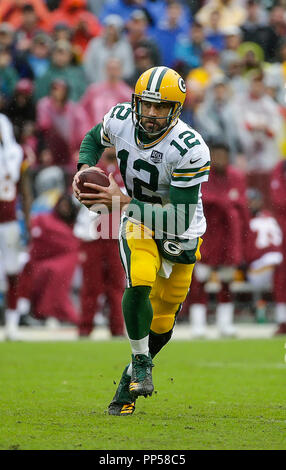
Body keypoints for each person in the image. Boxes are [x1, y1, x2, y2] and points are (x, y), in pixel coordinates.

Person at [72, 66, 211, 415]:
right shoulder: (119, 119)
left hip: (180, 228)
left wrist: (121, 202)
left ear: (176, 109)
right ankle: (140, 360)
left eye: (161, 107)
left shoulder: (188, 147)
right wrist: (82, 167)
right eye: (146, 104)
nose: (150, 113)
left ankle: (129, 377)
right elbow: (92, 139)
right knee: (139, 282)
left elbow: (178, 216)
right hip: (137, 221)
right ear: (135, 101)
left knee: (163, 320)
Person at [0, 113, 31, 340]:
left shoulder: (16, 153)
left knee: (12, 272)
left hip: (9, 220)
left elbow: (25, 190)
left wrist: (28, 222)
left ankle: (11, 324)